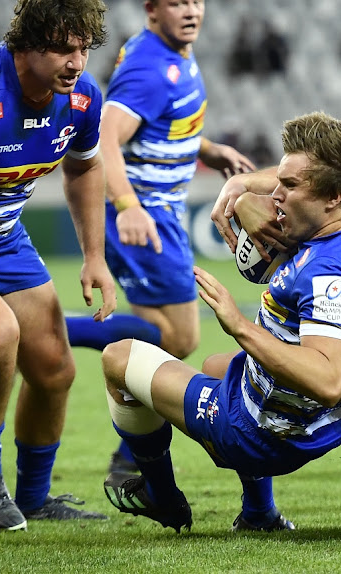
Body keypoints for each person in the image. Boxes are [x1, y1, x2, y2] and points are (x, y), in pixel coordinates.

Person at [100, 112, 341, 532]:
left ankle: (160, 494)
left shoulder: (329, 274)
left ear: (334, 196)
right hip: (324, 421)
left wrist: (240, 324)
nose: (275, 193)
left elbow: (329, 380)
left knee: (119, 358)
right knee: (217, 366)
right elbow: (335, 174)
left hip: (264, 431)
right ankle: (260, 514)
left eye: (289, 186)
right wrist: (240, 192)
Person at [63, 0, 255, 474]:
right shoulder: (151, 67)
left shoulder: (171, 53)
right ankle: (56, 327)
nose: (190, 11)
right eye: (176, 2)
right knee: (181, 336)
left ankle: (131, 456)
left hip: (157, 210)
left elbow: (161, 121)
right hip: (146, 213)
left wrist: (207, 147)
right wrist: (128, 206)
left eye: (196, 1)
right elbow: (105, 139)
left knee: (162, 342)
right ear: (152, 9)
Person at [0, 0, 117, 531]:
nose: (77, 62)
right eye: (63, 48)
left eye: (84, 48)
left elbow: (85, 168)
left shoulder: (82, 98)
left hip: (3, 235)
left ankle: (35, 498)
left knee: (55, 370)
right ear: (26, 46)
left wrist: (95, 256)